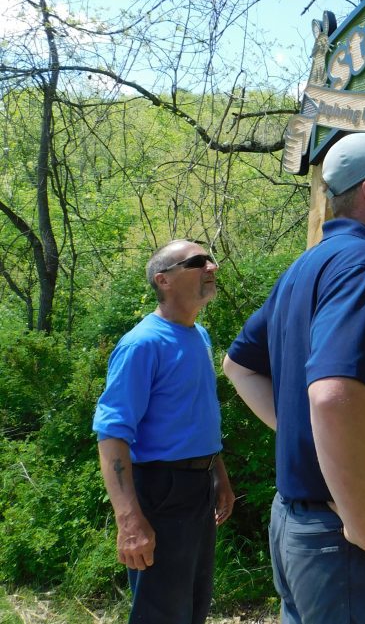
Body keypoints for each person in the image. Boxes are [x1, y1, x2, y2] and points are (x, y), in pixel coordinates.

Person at [223, 132, 365, 624]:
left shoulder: (307, 266)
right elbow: (332, 395)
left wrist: (310, 443)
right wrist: (364, 523)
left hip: (300, 529)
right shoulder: (360, 265)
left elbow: (239, 366)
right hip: (347, 548)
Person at [93, 240, 235, 624]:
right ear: (164, 280)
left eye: (210, 259)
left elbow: (196, 416)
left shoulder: (198, 335)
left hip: (198, 488)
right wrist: (128, 520)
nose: (212, 267)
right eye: (197, 262)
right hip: (160, 489)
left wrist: (218, 474)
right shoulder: (142, 344)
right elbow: (112, 434)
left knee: (192, 607)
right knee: (162, 613)